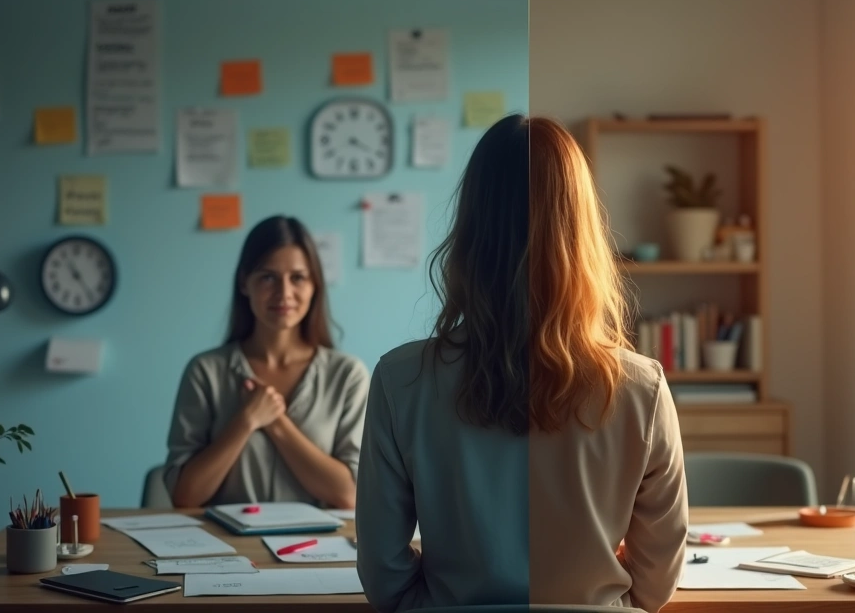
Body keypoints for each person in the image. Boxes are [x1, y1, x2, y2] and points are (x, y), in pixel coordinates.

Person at [355, 115, 688, 612]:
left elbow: (384, 575)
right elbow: (656, 583)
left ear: (470, 232)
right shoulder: (643, 387)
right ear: (582, 236)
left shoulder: (400, 379)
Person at [162, 215, 369, 509]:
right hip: (224, 549)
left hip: (318, 551)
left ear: (314, 286)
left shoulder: (348, 376)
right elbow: (185, 496)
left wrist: (276, 423)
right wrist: (246, 420)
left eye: (298, 277)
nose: (284, 293)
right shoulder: (205, 372)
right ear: (244, 283)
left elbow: (349, 495)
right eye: (268, 277)